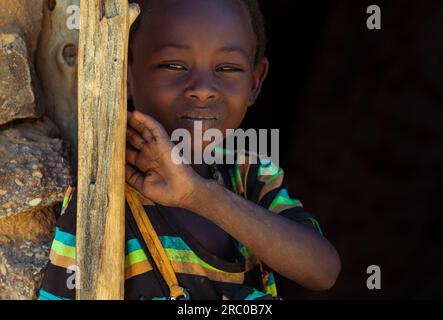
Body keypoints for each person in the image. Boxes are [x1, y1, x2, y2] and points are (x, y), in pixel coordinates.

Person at [38, 0, 340, 300]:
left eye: (227, 68)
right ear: (125, 74)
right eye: (174, 65)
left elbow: (322, 271)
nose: (203, 88)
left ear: (255, 82)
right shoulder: (104, 196)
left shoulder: (250, 174)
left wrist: (198, 195)